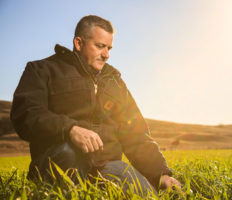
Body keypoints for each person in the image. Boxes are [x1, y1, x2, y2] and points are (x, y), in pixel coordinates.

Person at [10, 15, 180, 195]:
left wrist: (160, 174)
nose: (106, 54)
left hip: (106, 165)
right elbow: (26, 114)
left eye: (109, 48)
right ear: (78, 43)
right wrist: (70, 129)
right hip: (60, 159)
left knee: (145, 195)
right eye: (100, 46)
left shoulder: (115, 82)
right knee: (68, 155)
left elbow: (135, 132)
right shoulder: (42, 70)